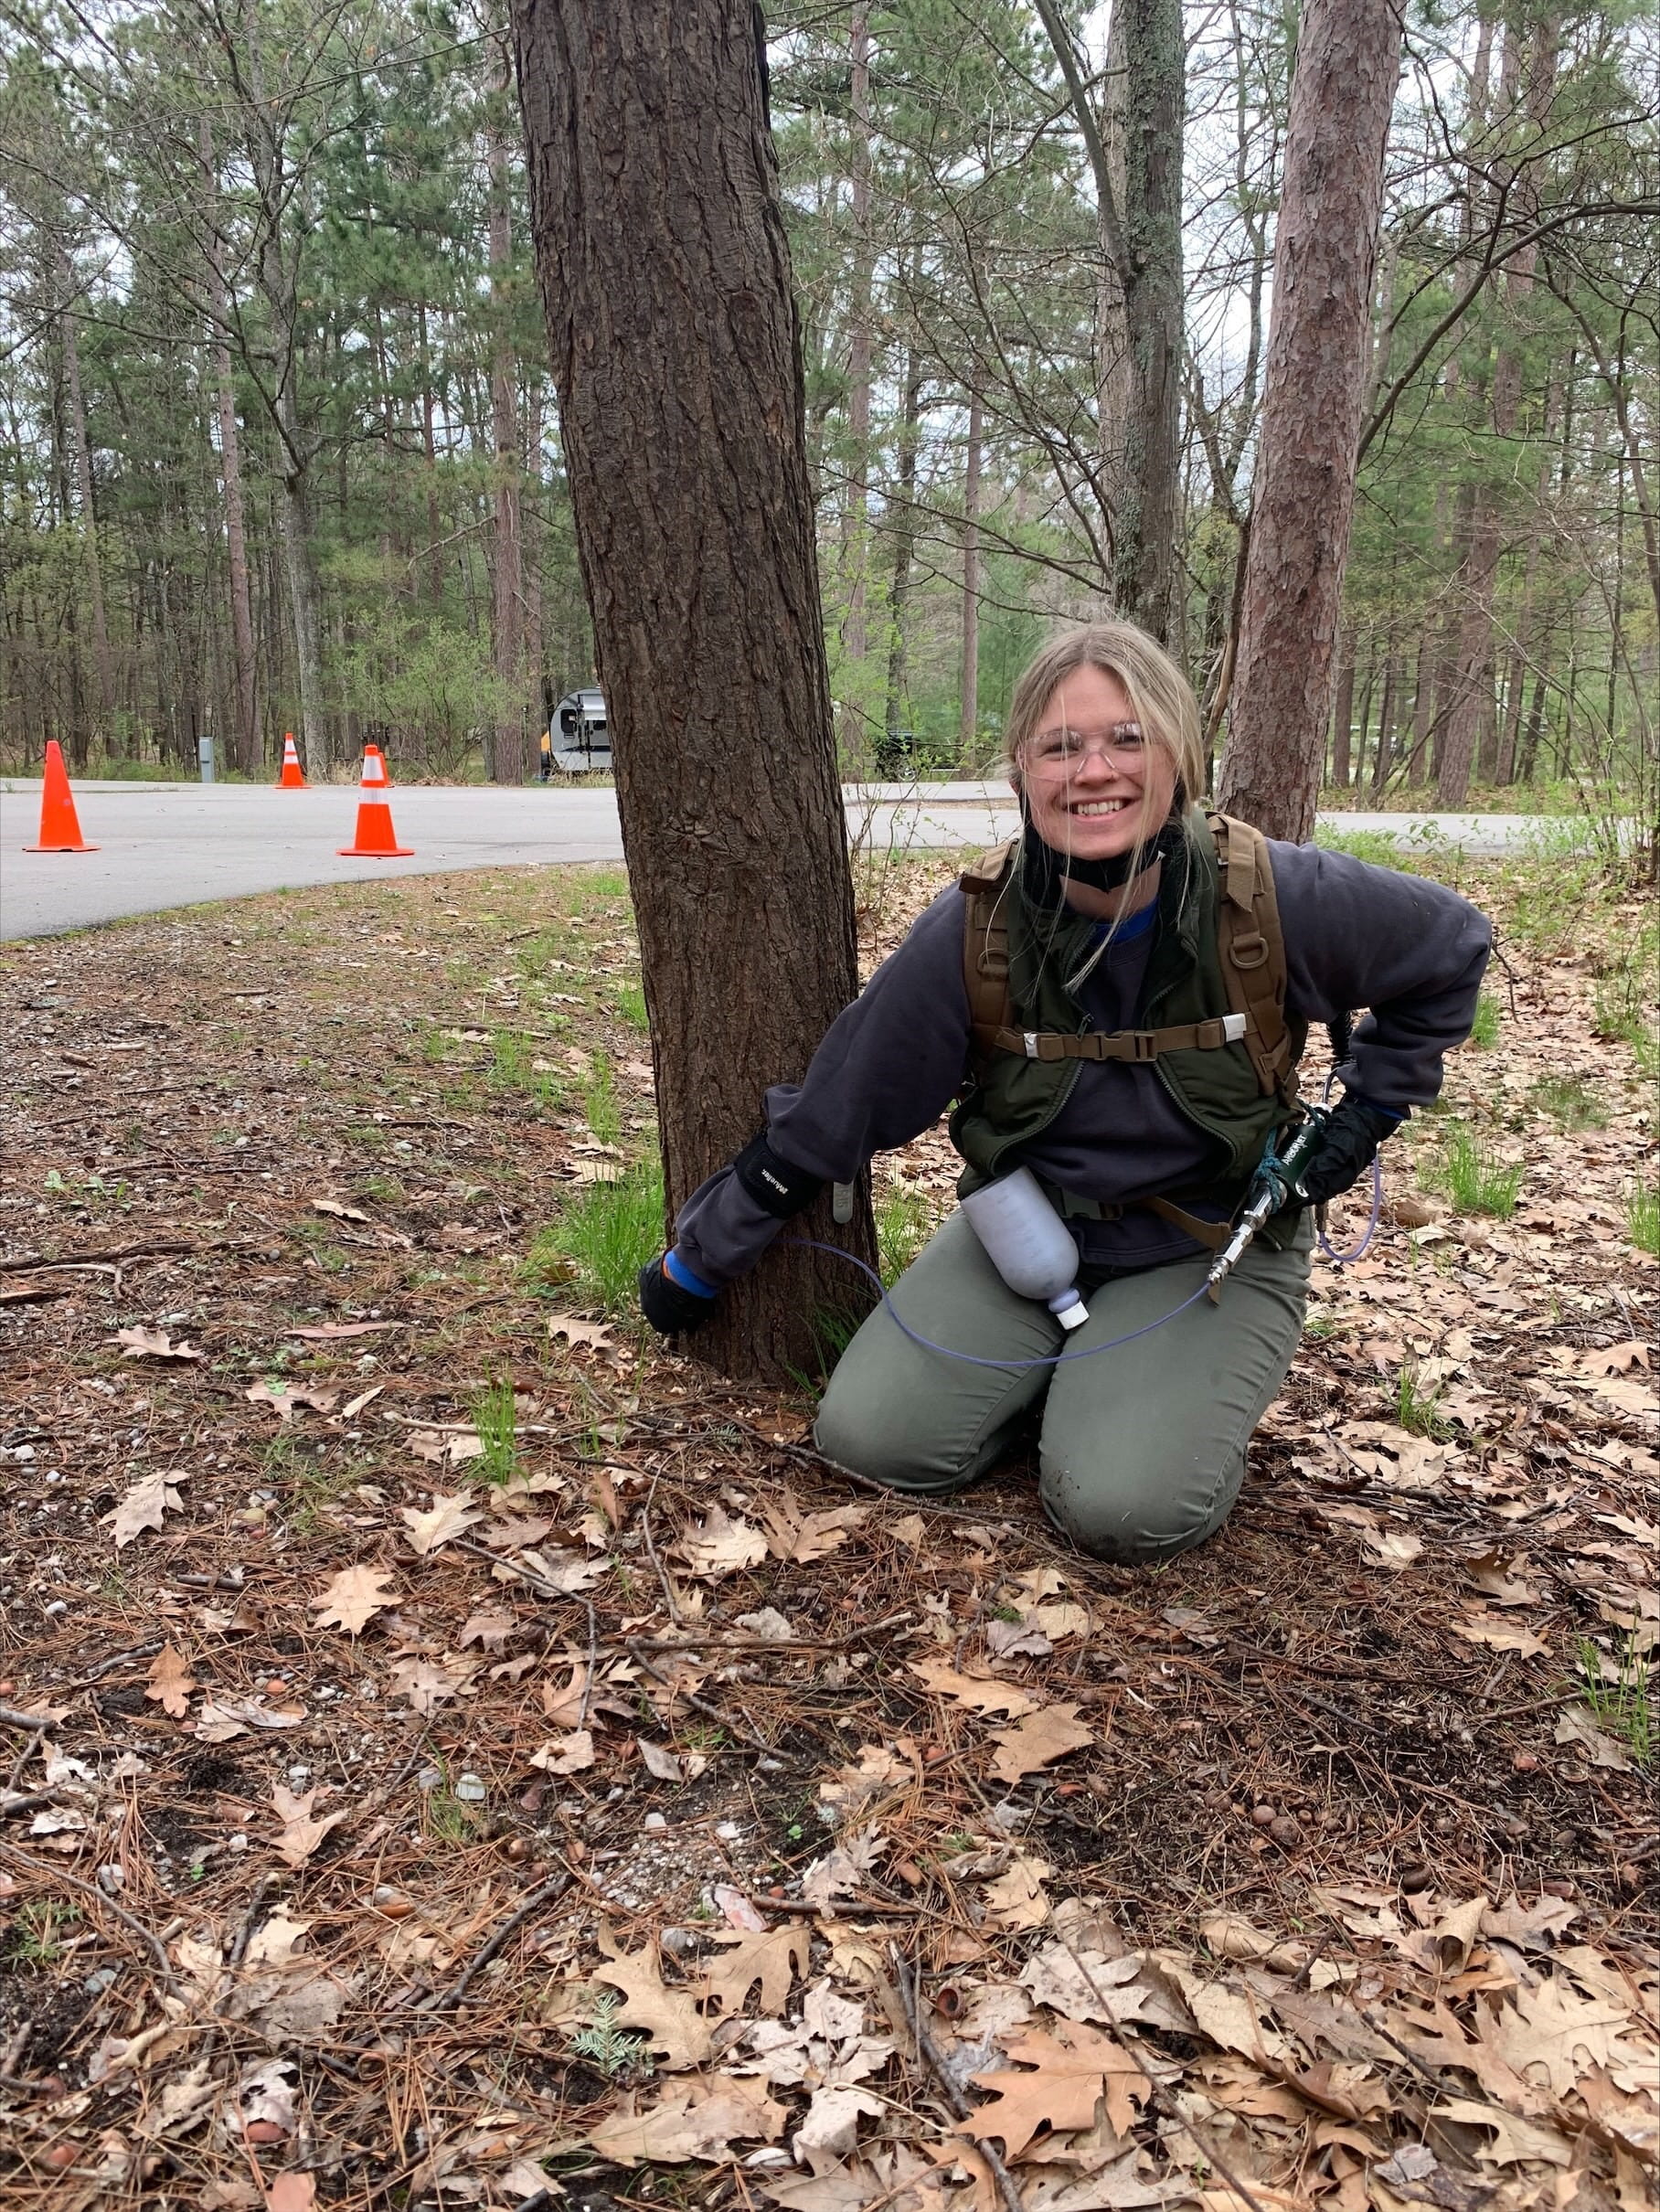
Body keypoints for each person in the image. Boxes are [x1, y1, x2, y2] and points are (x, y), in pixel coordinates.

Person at [638, 622, 1491, 1565]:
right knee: (871, 1443)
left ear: (1177, 758)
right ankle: (1080, 1379)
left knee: (1122, 1510)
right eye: (1060, 745)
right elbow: (835, 1109)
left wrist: (1369, 1112)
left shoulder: (1275, 895)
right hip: (1026, 1234)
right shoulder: (976, 931)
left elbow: (1451, 946)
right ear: (1021, 773)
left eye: (1127, 738)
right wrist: (697, 1265)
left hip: (1206, 1245)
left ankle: (1127, 1401)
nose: (1093, 770)